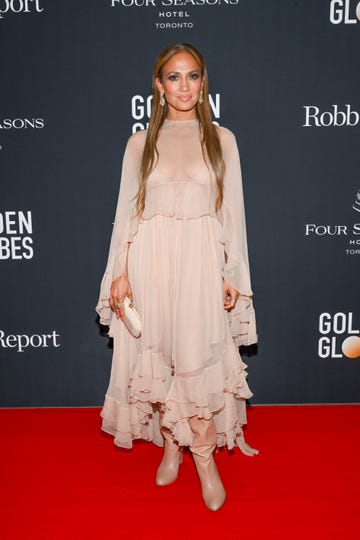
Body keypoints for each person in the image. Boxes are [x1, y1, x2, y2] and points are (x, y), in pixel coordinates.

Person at [96, 43, 258, 512]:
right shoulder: (139, 143)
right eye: (173, 77)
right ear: (159, 85)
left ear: (203, 83)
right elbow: (126, 212)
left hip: (202, 260)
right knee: (161, 352)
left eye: (191, 77)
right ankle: (171, 442)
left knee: (195, 356)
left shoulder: (222, 140)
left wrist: (233, 273)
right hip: (151, 258)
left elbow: (233, 214)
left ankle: (204, 458)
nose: (183, 86)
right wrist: (119, 273)